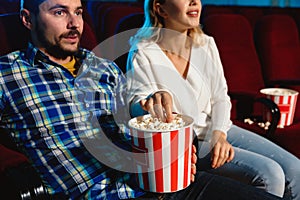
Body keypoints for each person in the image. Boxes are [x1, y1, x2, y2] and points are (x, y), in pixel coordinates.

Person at [0, 0, 284, 199]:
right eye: (60, 12)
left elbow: (133, 112)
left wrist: (150, 105)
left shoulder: (103, 67)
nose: (74, 23)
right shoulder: (7, 73)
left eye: (78, 12)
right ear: (27, 19)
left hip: (160, 182)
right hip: (102, 193)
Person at [126, 0, 300, 199]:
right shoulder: (143, 51)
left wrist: (219, 134)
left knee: (296, 170)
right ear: (160, 8)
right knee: (269, 174)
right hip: (185, 142)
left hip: (218, 128)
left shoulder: (206, 44)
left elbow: (220, 97)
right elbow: (136, 103)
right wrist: (149, 102)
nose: (194, 2)